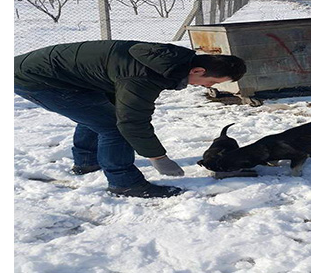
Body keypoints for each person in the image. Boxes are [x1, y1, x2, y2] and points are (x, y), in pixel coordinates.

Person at [14, 40, 246, 198]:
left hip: (65, 75)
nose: (210, 87)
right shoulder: (143, 74)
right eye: (213, 82)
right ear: (198, 71)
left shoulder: (170, 60)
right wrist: (158, 157)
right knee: (114, 127)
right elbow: (131, 122)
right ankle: (124, 183)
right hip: (37, 80)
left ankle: (87, 162)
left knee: (98, 115)